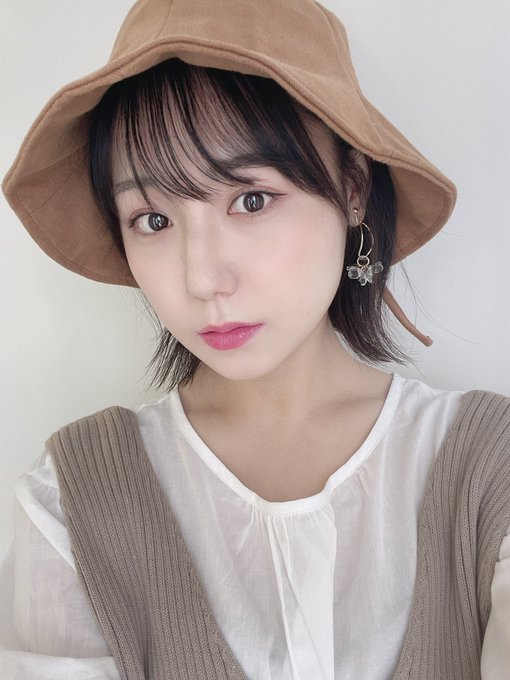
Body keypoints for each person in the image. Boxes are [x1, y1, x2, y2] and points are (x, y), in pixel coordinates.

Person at [1, 0, 509, 678]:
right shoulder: (71, 500)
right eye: (153, 219)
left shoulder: (490, 469)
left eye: (251, 200)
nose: (203, 278)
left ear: (353, 189)